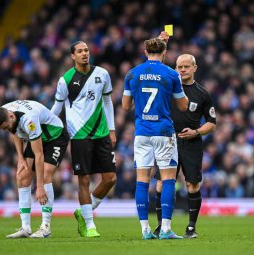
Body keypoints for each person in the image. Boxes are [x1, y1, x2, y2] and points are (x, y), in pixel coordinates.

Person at [122, 37, 188, 240]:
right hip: (163, 132)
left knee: (142, 181)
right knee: (168, 179)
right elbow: (183, 106)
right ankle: (166, 229)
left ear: (145, 52)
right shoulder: (171, 74)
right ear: (165, 52)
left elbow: (125, 106)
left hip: (142, 133)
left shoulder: (132, 74)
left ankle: (145, 230)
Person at [51, 41, 117, 238]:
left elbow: (107, 101)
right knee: (85, 180)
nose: (84, 53)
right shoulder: (65, 80)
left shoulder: (102, 74)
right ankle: (90, 225)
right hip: (79, 134)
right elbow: (57, 107)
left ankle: (83, 211)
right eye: (80, 51)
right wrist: (45, 124)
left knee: (110, 179)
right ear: (73, 56)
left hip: (102, 133)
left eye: (86, 50)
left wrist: (112, 129)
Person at [153, 50, 217, 239]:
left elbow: (212, 123)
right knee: (161, 184)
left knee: (192, 185)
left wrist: (196, 132)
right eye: (179, 67)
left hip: (192, 143)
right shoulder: (168, 88)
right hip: (168, 141)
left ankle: (191, 228)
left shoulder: (202, 93)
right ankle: (161, 226)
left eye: (186, 66)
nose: (182, 70)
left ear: (194, 68)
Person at [0, 100, 69, 238]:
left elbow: (39, 155)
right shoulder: (4, 112)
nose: (6, 129)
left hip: (55, 136)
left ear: (11, 116)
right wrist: (20, 158)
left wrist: (39, 187)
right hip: (36, 137)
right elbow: (15, 131)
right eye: (3, 129)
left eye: (6, 126)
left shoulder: (28, 120)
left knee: (45, 177)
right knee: (22, 177)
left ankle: (45, 227)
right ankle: (25, 228)